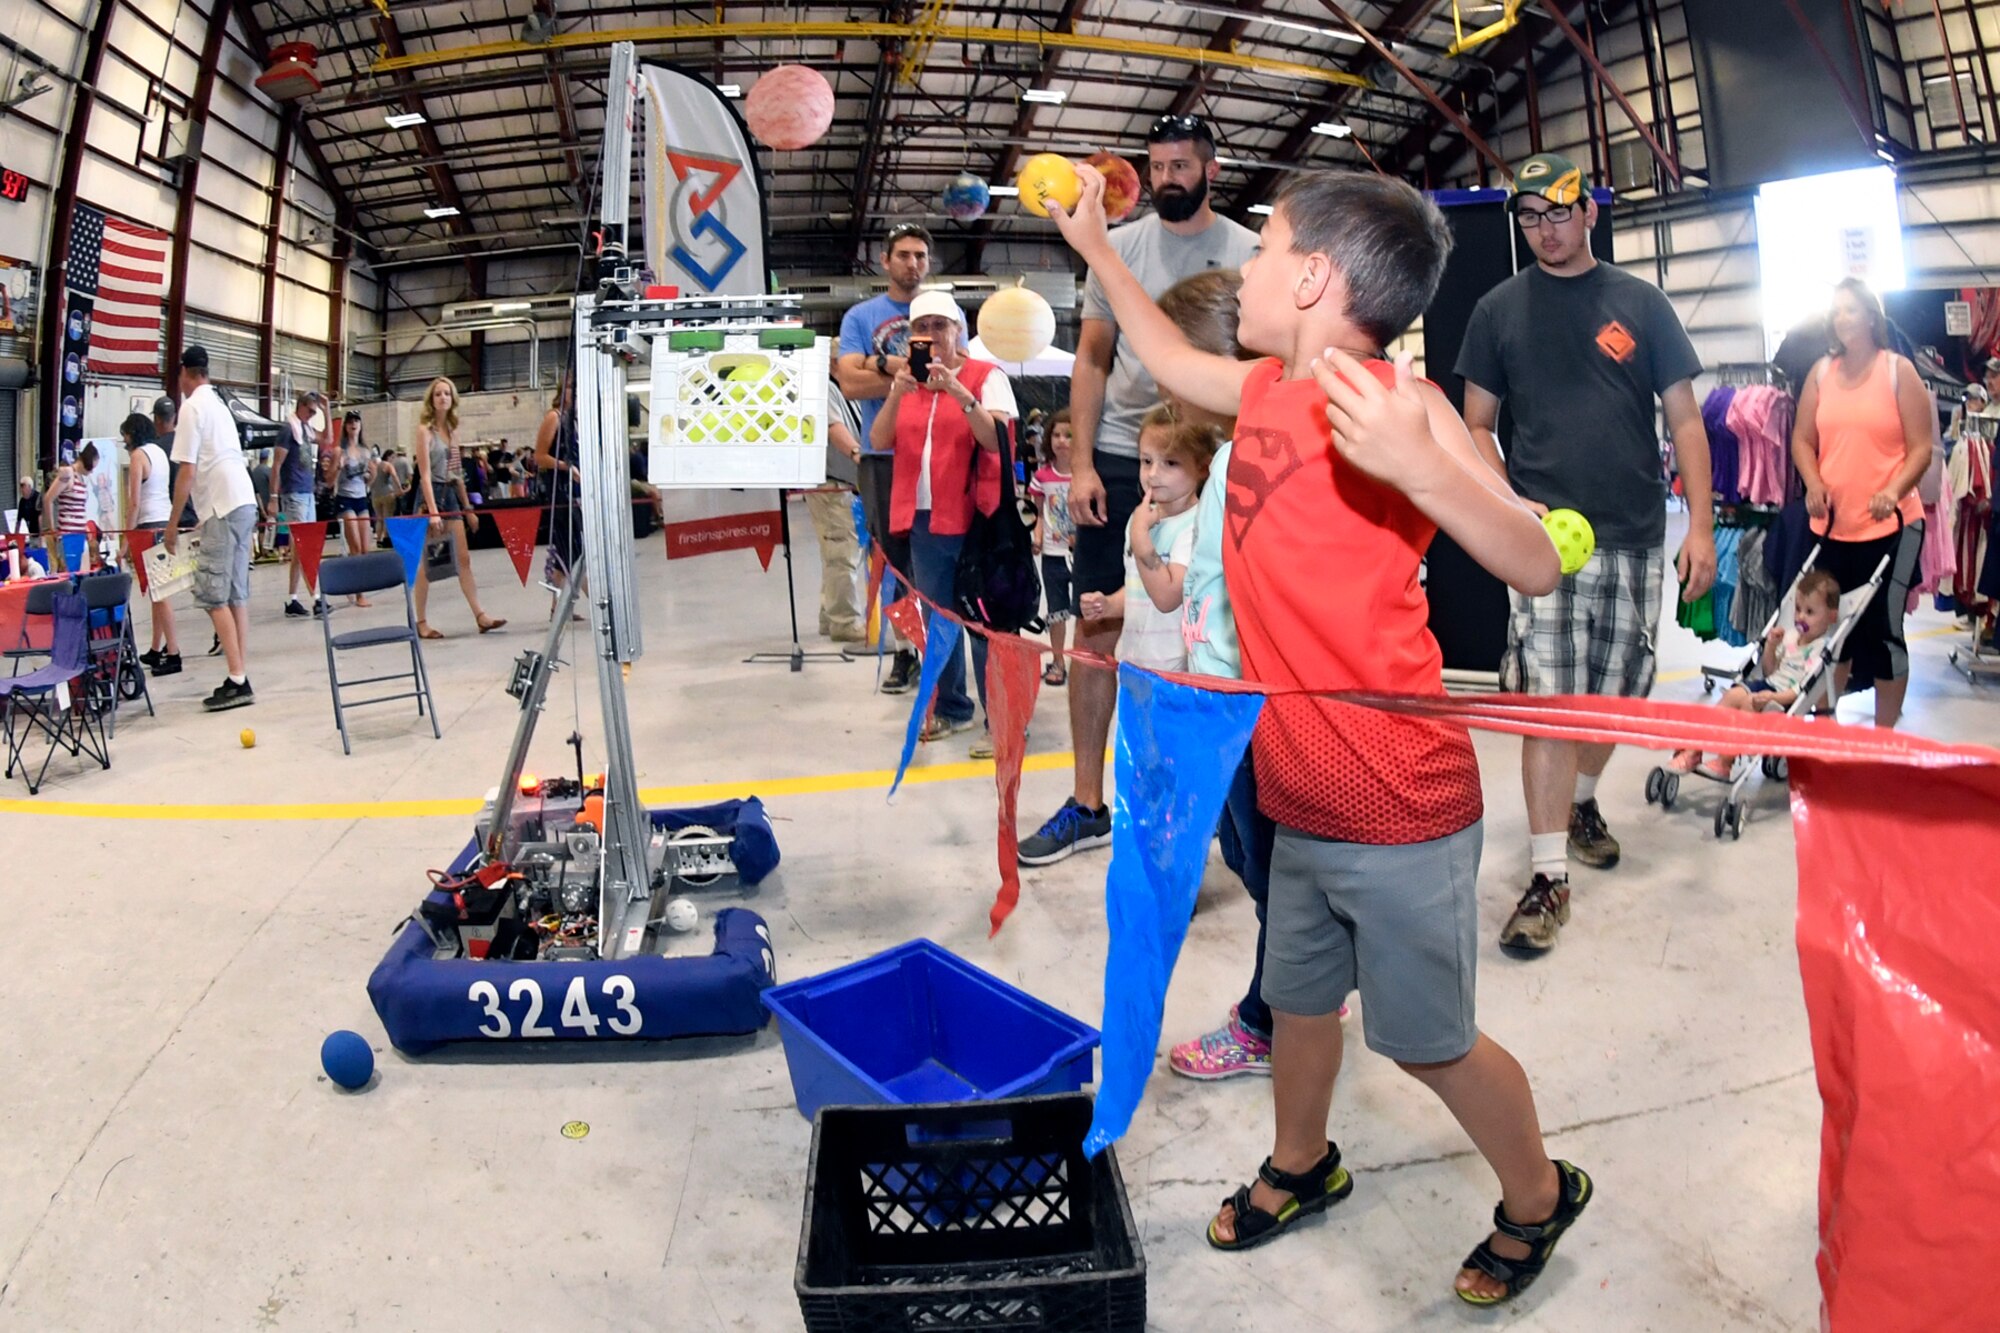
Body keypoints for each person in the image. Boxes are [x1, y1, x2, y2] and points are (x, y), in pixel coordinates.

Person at [1050, 162, 1584, 1306]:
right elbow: (1176, 357)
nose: (1239, 268)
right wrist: (1097, 251)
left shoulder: (1402, 405)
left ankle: (1537, 1194)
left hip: (1398, 798)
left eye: (1261, 249)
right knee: (1297, 1002)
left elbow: (1532, 561)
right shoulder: (1266, 395)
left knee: (1426, 1039)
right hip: (1298, 786)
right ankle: (1304, 1159)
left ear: (1310, 277)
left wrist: (1418, 468)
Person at [1453, 151, 1716, 957]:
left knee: (1612, 700)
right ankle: (1547, 876)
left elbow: (1688, 422)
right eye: (1530, 216)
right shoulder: (1498, 309)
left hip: (1636, 533)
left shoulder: (1641, 304)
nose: (1545, 230)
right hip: (1546, 546)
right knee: (1549, 704)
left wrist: (1700, 526)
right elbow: (1474, 429)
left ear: (1590, 212)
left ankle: (1587, 800)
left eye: (1558, 213)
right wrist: (1509, 501)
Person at [1019, 112, 1260, 867]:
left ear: (1211, 169)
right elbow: (1090, 360)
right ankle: (1090, 802)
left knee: (1226, 625)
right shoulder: (1117, 249)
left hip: (1221, 454)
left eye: (1182, 165)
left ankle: (1227, 801)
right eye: (1156, 166)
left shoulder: (1252, 253)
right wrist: (1084, 461)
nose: (1166, 179)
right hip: (1129, 454)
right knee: (1098, 625)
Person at [870, 289, 1017, 756]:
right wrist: (896, 393)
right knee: (940, 619)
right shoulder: (909, 383)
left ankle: (1005, 720)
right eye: (921, 328)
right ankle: (953, 707)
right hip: (923, 521)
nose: (931, 335)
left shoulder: (985, 377)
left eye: (940, 325)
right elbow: (878, 438)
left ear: (958, 330)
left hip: (978, 518)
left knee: (983, 620)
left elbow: (995, 442)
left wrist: (958, 392)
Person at [1791, 278, 1930, 728]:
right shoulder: (1820, 373)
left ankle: (1883, 738)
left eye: (1850, 309)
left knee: (1883, 633)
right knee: (1831, 632)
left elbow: (1922, 448)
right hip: (1832, 526)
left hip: (1891, 528)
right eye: (1836, 310)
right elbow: (1802, 440)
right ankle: (1827, 726)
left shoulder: (1898, 371)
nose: (1840, 317)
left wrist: (1893, 491)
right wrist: (1812, 481)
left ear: (1871, 316)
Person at [835, 221, 936, 693]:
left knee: (937, 559)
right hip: (882, 454)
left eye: (920, 255)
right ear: (885, 261)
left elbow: (950, 379)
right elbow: (850, 383)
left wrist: (878, 371)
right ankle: (905, 652)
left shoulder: (942, 313)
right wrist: (890, 367)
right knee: (893, 563)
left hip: (938, 453)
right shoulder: (861, 316)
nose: (912, 263)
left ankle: (941, 654)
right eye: (904, 255)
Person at [1080, 405, 1215, 671]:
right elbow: (1137, 590)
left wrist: (1141, 539)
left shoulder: (1197, 525)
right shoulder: (1141, 518)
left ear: (1202, 467)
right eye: (1146, 461)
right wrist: (1108, 604)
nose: (1153, 474)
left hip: (1177, 671)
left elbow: (1166, 598)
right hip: (1134, 663)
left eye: (1170, 462)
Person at [1670, 569, 1841, 777]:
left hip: (1785, 698)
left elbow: (1803, 688)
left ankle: (1725, 762)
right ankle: (1694, 749)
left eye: (1810, 612)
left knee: (1748, 704)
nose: (1800, 616)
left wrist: (1773, 696)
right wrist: (1771, 647)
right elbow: (1770, 670)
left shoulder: (1820, 649)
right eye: (1798, 609)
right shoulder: (1791, 637)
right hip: (1769, 686)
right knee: (1732, 695)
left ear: (1831, 617)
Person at [164, 345, 258, 710]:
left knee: (211, 593)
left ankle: (238, 680)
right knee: (235, 594)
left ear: (185, 372)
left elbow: (187, 471)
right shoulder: (219, 404)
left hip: (222, 504)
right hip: (242, 500)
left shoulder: (192, 407)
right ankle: (239, 673)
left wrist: (173, 525)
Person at [413, 376, 505, 638]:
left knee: (463, 559)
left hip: (450, 494)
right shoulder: (424, 431)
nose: (443, 397)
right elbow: (425, 475)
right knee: (426, 563)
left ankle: (480, 615)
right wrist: (432, 511)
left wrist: (468, 508)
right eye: (438, 394)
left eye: (447, 394)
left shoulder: (452, 431)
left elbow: (456, 473)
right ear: (431, 399)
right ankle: (421, 622)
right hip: (430, 496)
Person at [122, 413, 182, 677]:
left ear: (132, 434)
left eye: (125, 434)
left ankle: (174, 653)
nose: (124, 440)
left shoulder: (137, 457)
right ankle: (156, 648)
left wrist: (125, 540)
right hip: (166, 522)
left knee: (160, 594)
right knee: (159, 595)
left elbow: (134, 502)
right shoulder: (158, 452)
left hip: (148, 526)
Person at [806, 381, 866, 643]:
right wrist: (858, 454)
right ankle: (845, 621)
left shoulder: (848, 389)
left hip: (842, 483)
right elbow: (834, 427)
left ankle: (829, 614)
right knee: (842, 554)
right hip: (833, 483)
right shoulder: (824, 387)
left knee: (835, 552)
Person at [1029, 409, 1077, 686]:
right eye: (1057, 434)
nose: (1062, 440)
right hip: (1052, 554)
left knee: (1085, 612)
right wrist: (1037, 538)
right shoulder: (1042, 476)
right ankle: (1058, 661)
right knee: (1056, 611)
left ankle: (1085, 663)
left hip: (1082, 556)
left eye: (1069, 435)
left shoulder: (1088, 475)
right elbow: (1039, 515)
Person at [271, 391, 325, 618]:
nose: (312, 415)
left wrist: (327, 409)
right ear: (301, 407)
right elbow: (276, 465)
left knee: (299, 549)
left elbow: (327, 439)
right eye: (311, 411)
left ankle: (292, 599)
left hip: (307, 492)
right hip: (294, 493)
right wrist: (273, 498)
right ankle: (317, 598)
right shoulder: (288, 430)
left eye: (315, 412)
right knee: (305, 547)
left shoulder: (306, 429)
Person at [533, 375, 583, 616]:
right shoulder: (554, 417)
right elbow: (539, 456)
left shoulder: (572, 420)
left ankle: (559, 606)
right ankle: (587, 602)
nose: (573, 393)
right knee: (571, 547)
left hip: (570, 490)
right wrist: (566, 467)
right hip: (557, 491)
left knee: (567, 550)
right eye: (570, 388)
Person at [330, 411, 377, 606]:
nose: (353, 424)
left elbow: (372, 477)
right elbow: (329, 480)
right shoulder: (339, 451)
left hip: (361, 498)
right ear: (345, 426)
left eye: (356, 421)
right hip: (345, 499)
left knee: (365, 549)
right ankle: (359, 594)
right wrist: (338, 468)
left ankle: (353, 584)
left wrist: (370, 478)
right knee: (355, 547)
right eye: (350, 422)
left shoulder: (366, 451)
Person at [44, 442, 99, 574]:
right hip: (68, 535)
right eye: (91, 467)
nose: (92, 471)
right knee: (70, 576)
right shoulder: (68, 474)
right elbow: (48, 499)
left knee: (78, 576)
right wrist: (52, 529)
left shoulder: (80, 478)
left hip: (79, 535)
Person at [370, 446, 404, 545]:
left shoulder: (373, 466)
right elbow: (395, 476)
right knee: (388, 517)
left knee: (379, 519)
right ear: (388, 457)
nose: (394, 459)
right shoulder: (387, 465)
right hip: (387, 493)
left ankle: (378, 540)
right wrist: (400, 489)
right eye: (393, 457)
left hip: (375, 495)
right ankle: (386, 538)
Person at [14, 473, 41, 538]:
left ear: (29, 487)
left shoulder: (38, 498)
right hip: (31, 533)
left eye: (23, 487)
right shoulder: (22, 501)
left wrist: (41, 536)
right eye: (21, 488)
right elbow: (18, 521)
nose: (21, 490)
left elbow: (41, 518)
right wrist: (15, 536)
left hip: (41, 533)